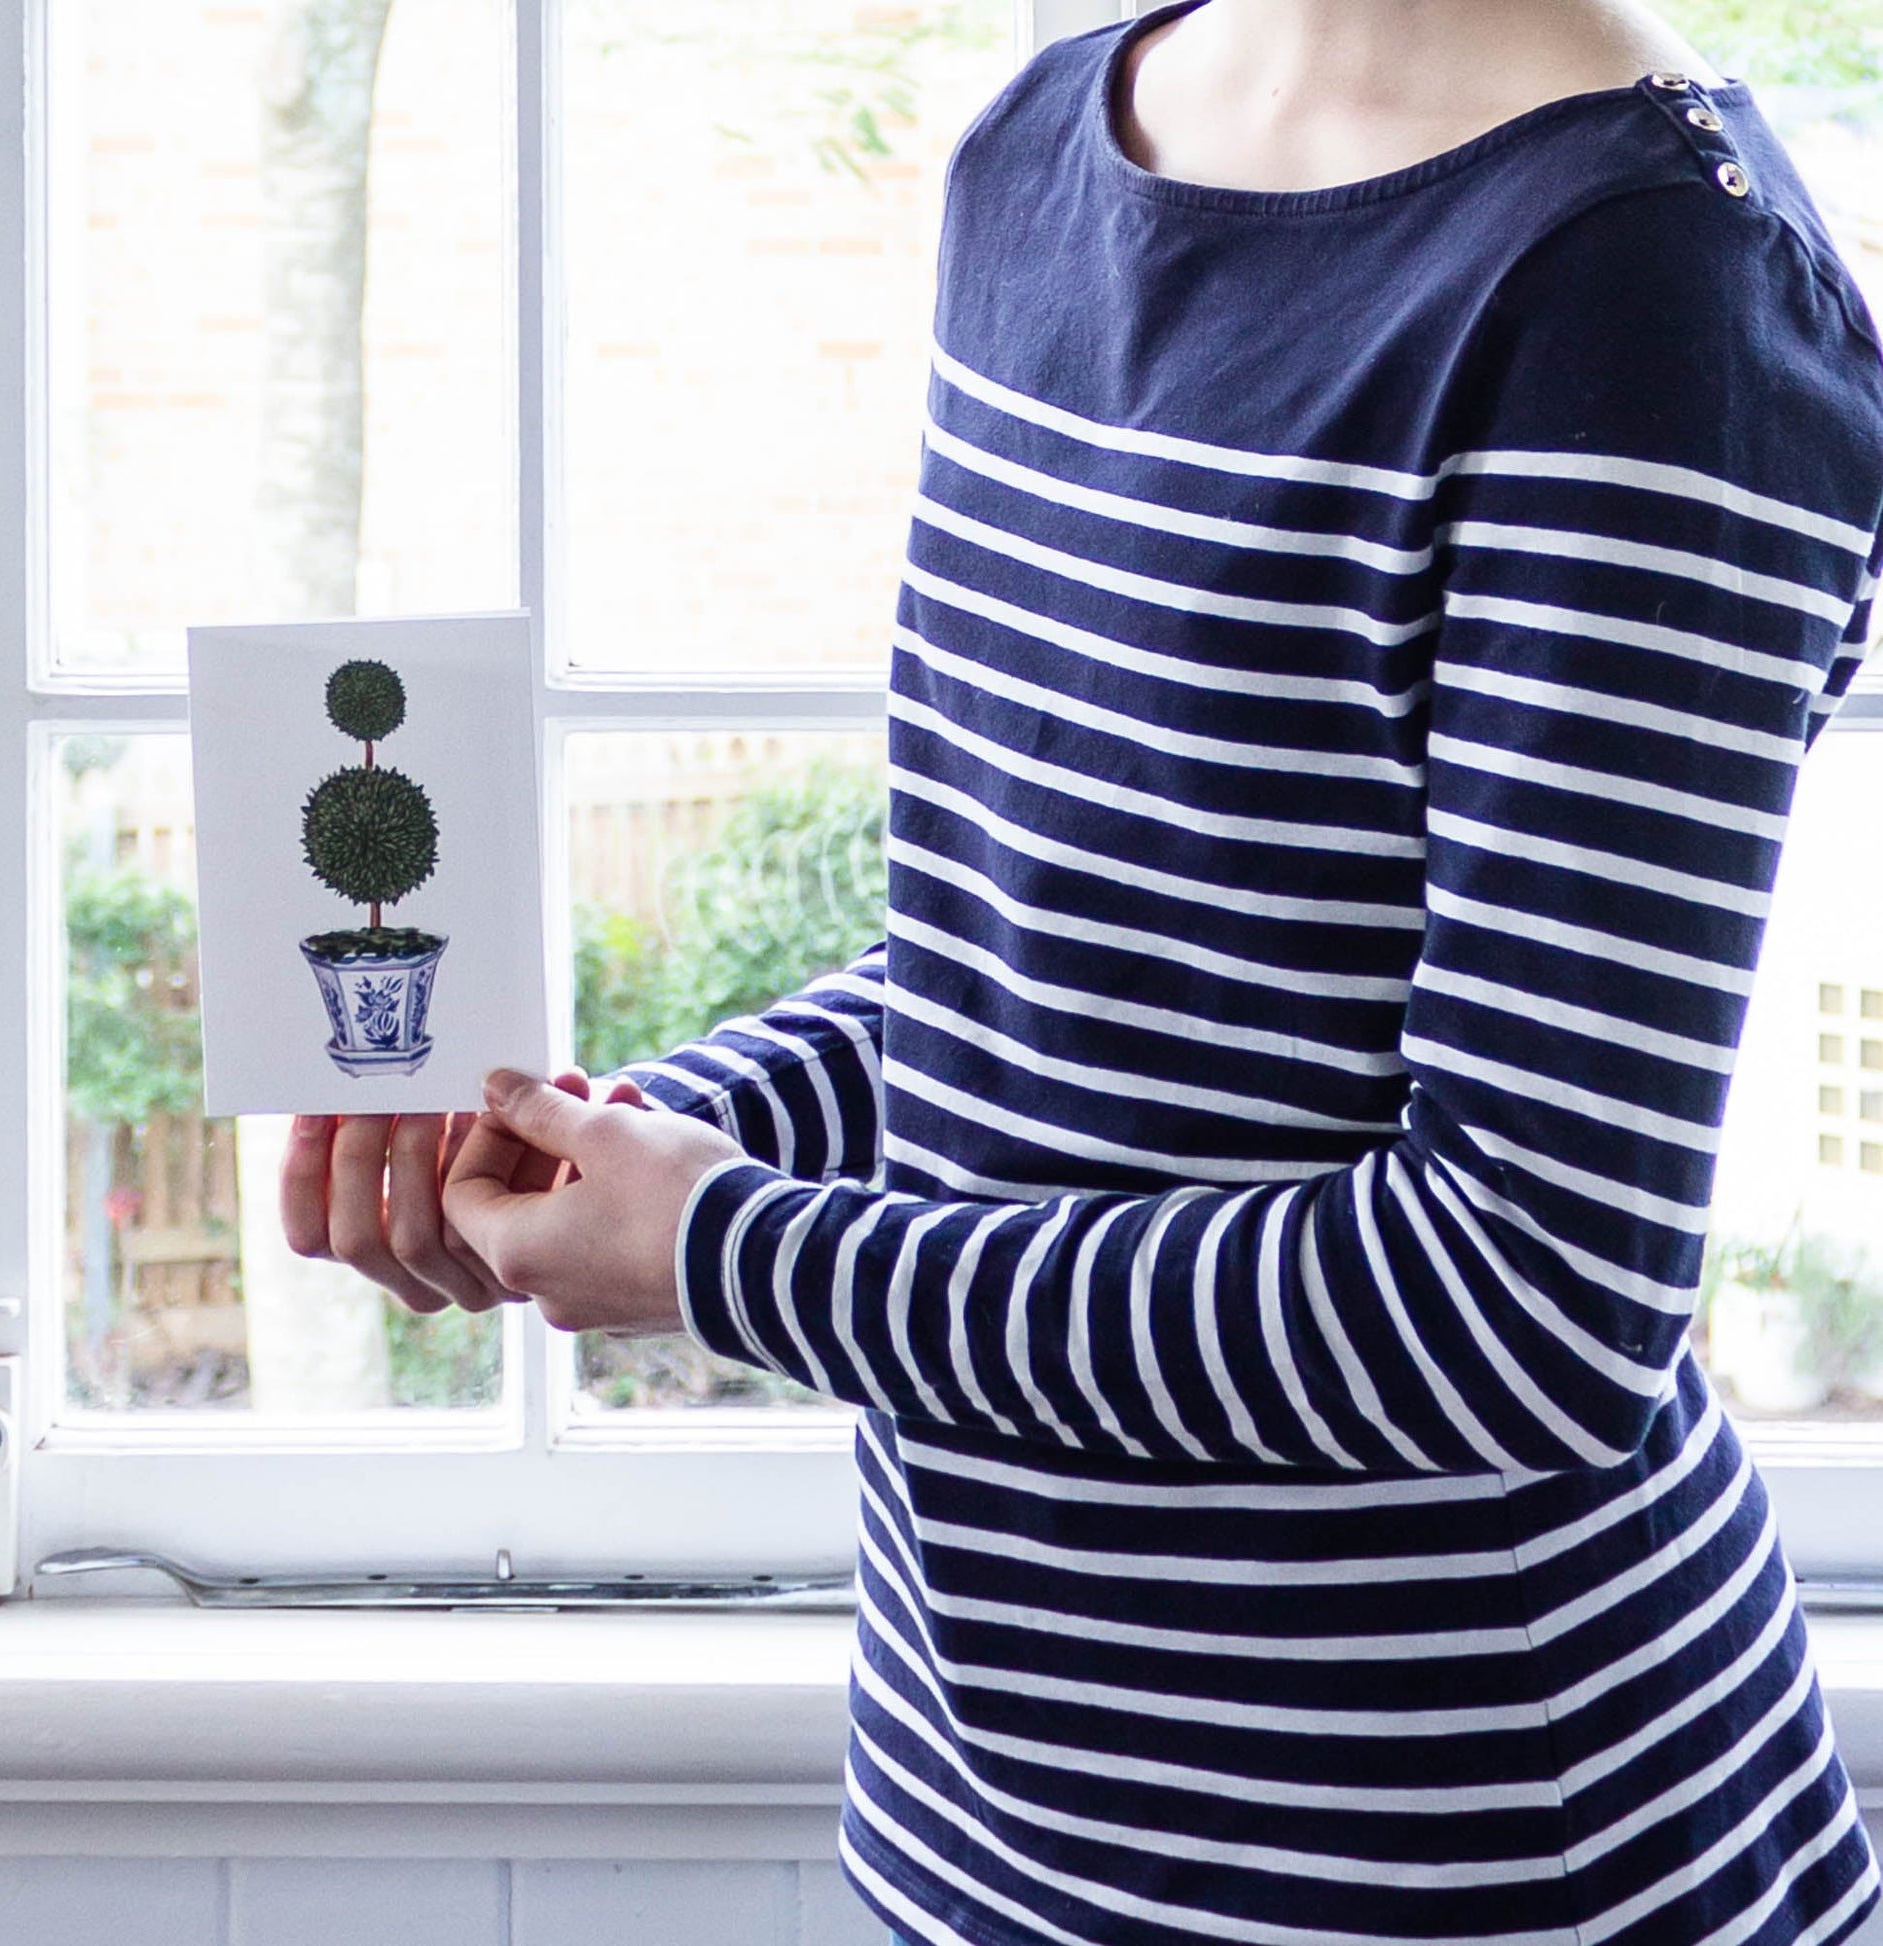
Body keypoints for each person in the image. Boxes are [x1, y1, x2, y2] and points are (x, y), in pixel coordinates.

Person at [282, 0, 1883, 1938]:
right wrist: (647, 1133)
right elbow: (1041, 973)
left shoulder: (1662, 297)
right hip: (983, 1827)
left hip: (1450, 1868)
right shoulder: (1034, 160)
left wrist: (726, 1250)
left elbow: (1524, 1306)